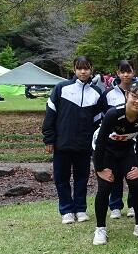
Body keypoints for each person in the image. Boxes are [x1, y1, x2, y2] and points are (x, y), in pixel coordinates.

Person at [42, 56, 103, 224]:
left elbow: (98, 122)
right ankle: (66, 210)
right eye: (79, 68)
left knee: (82, 178)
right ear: (74, 69)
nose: (83, 71)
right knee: (61, 178)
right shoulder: (61, 88)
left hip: (84, 145)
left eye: (86, 68)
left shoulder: (97, 93)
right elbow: (50, 115)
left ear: (91, 69)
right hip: (62, 143)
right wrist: (49, 139)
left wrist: (95, 143)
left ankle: (80, 208)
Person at [92, 82, 138, 245]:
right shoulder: (113, 114)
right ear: (127, 96)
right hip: (105, 151)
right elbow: (100, 143)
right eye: (134, 96)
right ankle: (100, 228)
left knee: (136, 183)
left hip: (126, 150)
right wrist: (99, 169)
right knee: (105, 187)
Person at [99, 60, 137, 219]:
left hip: (133, 139)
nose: (126, 74)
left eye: (129, 71)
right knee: (115, 173)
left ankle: (133, 205)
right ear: (118, 73)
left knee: (132, 172)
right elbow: (102, 117)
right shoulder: (108, 94)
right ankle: (115, 205)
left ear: (134, 72)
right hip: (112, 141)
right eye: (123, 71)